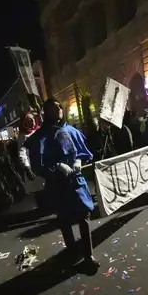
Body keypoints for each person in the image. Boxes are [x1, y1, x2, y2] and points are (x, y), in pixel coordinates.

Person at [24, 99, 99, 269]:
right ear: (46, 112)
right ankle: (72, 251)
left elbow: (80, 150)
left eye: (59, 106)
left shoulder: (69, 130)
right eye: (54, 107)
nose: (59, 109)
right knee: (64, 219)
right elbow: (38, 163)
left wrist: (79, 159)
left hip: (76, 180)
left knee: (84, 215)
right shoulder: (41, 136)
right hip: (57, 184)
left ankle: (88, 255)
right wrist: (56, 166)